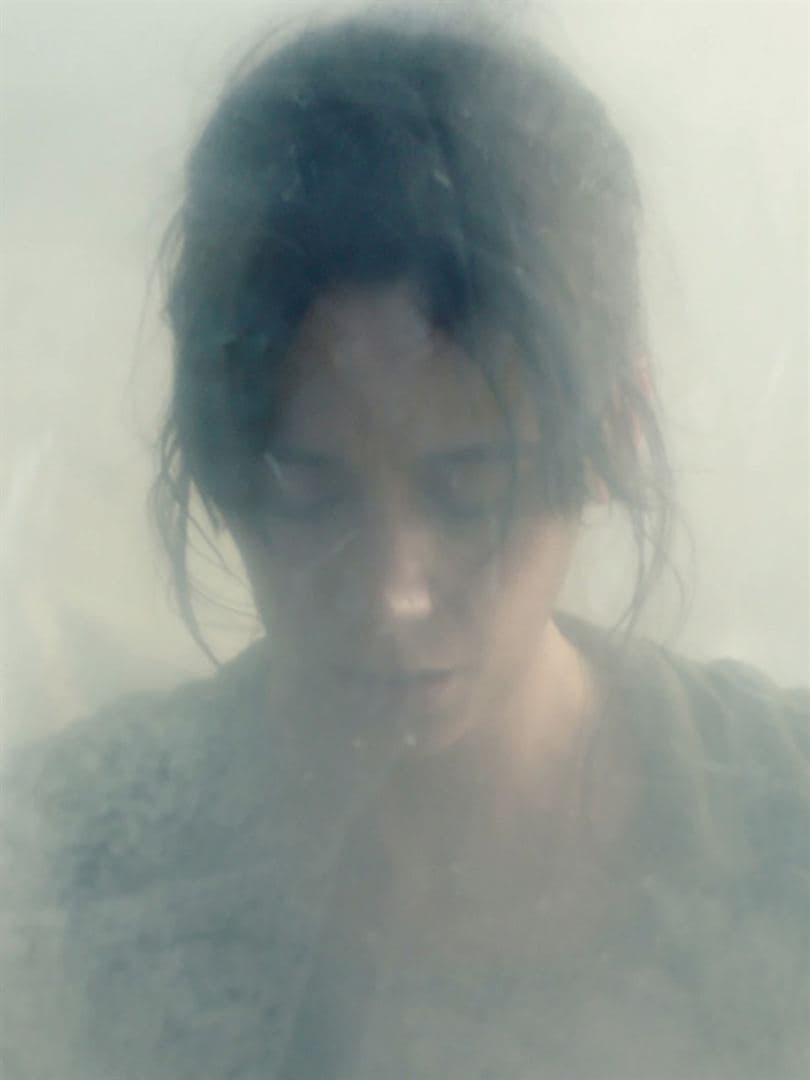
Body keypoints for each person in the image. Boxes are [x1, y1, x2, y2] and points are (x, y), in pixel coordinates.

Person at [2, 14, 808, 1079]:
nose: (392, 593)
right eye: (306, 488)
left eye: (472, 488)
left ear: (615, 433)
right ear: (219, 453)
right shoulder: (57, 871)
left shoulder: (785, 824)